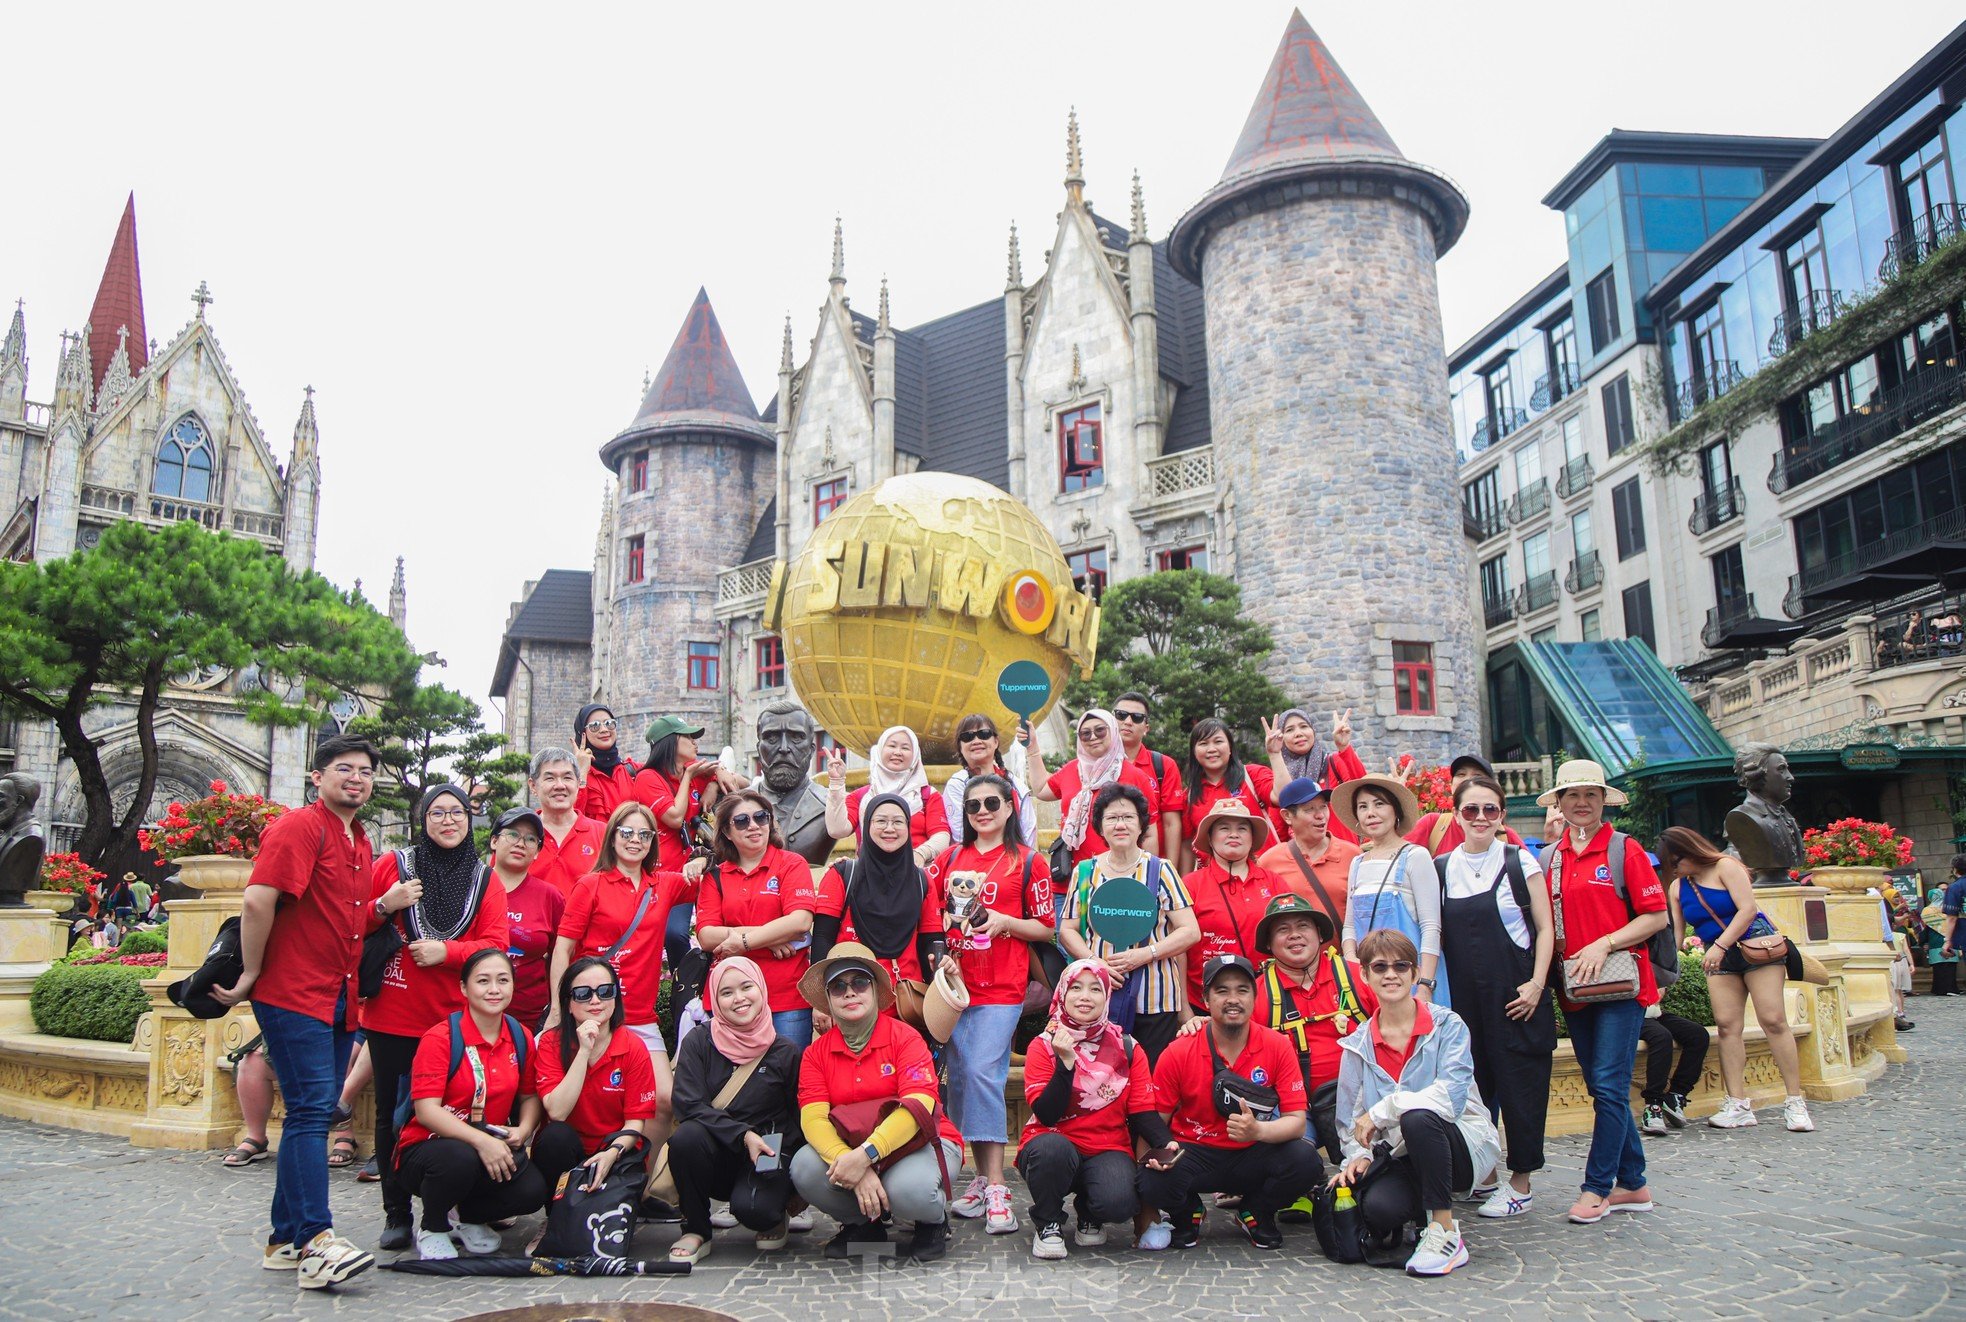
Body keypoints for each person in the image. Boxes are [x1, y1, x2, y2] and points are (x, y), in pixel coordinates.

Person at [215, 734, 380, 1288]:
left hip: (337, 993)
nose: (355, 778)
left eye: (364, 771)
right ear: (318, 777)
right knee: (312, 1112)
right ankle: (315, 1240)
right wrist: (252, 974)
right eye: (343, 769)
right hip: (293, 992)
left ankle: (284, 1240)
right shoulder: (300, 826)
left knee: (313, 1111)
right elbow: (258, 899)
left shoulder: (359, 837)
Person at [361, 784, 511, 1250]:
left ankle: (454, 1211)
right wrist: (389, 903)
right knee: (392, 1116)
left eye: (458, 813)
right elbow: (354, 920)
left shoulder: (484, 879)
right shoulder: (395, 865)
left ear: (470, 820)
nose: (449, 821)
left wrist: (447, 952)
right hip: (394, 1013)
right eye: (438, 813)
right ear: (423, 818)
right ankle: (396, 1213)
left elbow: (495, 944)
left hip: (452, 1021)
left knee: (459, 1112)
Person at [1537, 759, 1666, 1224]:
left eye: (1591, 794)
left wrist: (1605, 942)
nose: (1583, 803)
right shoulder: (1549, 857)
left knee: (1609, 1086)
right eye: (1573, 795)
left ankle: (1598, 1187)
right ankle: (1635, 1183)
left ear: (1602, 799)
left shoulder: (1623, 849)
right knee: (1601, 1086)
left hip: (1619, 986)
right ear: (1560, 804)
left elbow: (1656, 916)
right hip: (1575, 988)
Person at [1332, 930, 1502, 1278]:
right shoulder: (1356, 1045)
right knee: (1380, 1211)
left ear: (1413, 974)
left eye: (1400, 966)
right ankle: (1423, 1217)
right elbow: (1349, 1123)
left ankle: (1445, 1231)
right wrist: (1358, 1157)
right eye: (1379, 967)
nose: (1390, 974)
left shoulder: (1447, 1026)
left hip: (1463, 1148)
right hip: (1400, 1155)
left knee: (1418, 1117)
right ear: (1365, 975)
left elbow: (1452, 1099)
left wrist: (1384, 1109)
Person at [930, 772, 1053, 1233]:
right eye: (973, 806)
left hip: (1003, 985)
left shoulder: (1028, 860)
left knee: (982, 1070)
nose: (982, 812)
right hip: (956, 987)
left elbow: (1045, 927)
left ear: (1009, 808)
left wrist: (1004, 920)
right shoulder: (948, 859)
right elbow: (932, 919)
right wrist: (943, 947)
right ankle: (981, 1179)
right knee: (962, 1078)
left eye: (991, 804)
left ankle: (998, 1183)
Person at [790, 943, 963, 1264]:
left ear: (874, 990)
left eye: (859, 983)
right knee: (803, 1167)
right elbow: (813, 1119)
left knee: (909, 1191)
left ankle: (932, 1221)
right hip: (856, 1150)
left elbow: (918, 1105)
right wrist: (851, 1162)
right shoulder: (815, 1054)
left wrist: (867, 1155)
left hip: (921, 1143)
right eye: (838, 986)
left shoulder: (906, 1038)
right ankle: (864, 1226)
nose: (849, 992)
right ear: (828, 999)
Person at [1139, 954, 1322, 1251]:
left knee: (1305, 1162)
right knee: (1151, 1177)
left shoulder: (1278, 1045)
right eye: (1222, 991)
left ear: (1254, 996)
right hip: (1193, 1151)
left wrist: (1258, 1132)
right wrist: (1151, 1163)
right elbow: (1154, 1121)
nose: (1232, 999)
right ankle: (1188, 1213)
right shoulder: (1178, 1051)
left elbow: (1297, 1122)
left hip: (1252, 1151)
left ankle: (1256, 1211)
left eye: (1242, 990)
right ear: (1206, 998)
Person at [1433, 774, 1554, 1218]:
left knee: (1521, 1086)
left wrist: (1537, 984)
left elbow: (1545, 929)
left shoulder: (1522, 863)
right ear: (1457, 815)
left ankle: (1520, 1181)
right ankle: (1484, 1172)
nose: (1480, 817)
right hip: (1465, 1000)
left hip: (1516, 994)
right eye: (1471, 810)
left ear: (1501, 816)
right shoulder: (1442, 867)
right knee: (1473, 1086)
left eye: (1490, 810)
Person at [550, 799, 695, 1151]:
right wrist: (558, 1008)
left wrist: (702, 859)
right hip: (592, 1011)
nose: (635, 840)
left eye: (644, 834)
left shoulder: (665, 885)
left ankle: (640, 1187)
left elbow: (713, 881)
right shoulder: (590, 885)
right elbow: (562, 950)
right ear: (612, 836)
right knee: (585, 1104)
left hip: (639, 1017)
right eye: (627, 832)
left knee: (663, 1101)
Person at [392, 949, 546, 1260]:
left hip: (489, 1141)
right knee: (458, 1158)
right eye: (483, 981)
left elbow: (529, 1096)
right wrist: (480, 1141)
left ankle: (468, 1218)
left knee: (532, 1190)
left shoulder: (520, 1036)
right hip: (430, 1147)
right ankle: (432, 1226)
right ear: (464, 988)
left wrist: (524, 1129)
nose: (494, 989)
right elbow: (426, 1111)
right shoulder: (441, 1038)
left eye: (503, 980)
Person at [1658, 825, 1812, 1133]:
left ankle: (1795, 1101)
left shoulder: (1726, 866)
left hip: (1754, 948)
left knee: (1773, 1019)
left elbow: (1747, 910)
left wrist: (1719, 945)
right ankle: (1738, 1103)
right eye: (1671, 865)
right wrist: (1665, 973)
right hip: (1720, 958)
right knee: (1727, 1027)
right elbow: (1675, 935)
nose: (1676, 869)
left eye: (1678, 861)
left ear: (1691, 850)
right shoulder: (1678, 887)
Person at [1017, 959, 1172, 1259]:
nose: (1084, 996)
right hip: (1053, 1144)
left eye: (1095, 989)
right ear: (1062, 993)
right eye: (1075, 987)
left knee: (1120, 1201)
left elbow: (1142, 1111)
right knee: (1051, 1150)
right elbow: (1048, 1114)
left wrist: (1166, 1143)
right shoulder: (1043, 1045)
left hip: (1106, 1147)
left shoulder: (1127, 1047)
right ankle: (1048, 1221)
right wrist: (1065, 1064)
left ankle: (1090, 1212)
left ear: (1107, 996)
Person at [665, 956, 805, 1262]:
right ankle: (696, 1229)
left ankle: (774, 1212)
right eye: (726, 993)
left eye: (746, 987)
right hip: (714, 1151)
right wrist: (743, 1135)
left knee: (757, 1212)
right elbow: (688, 1103)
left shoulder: (785, 1052)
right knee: (686, 1138)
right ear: (714, 999)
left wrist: (796, 1188)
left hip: (765, 1154)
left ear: (761, 989)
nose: (739, 999)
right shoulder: (699, 1042)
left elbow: (799, 1117)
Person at [1058, 782, 1200, 1064]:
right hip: (1099, 997)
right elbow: (1067, 930)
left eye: (1128, 817)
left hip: (1156, 998)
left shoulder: (1160, 869)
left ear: (1141, 825)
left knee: (1149, 1078)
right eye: (1111, 818)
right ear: (1100, 827)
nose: (1120, 824)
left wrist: (1146, 954)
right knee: (1101, 1078)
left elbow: (1189, 930)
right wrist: (1094, 962)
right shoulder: (1085, 872)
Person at [1242, 893, 1374, 1171]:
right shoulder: (1257, 994)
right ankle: (1300, 1190)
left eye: (1303, 926)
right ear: (1268, 943)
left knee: (1378, 1191)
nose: (1295, 936)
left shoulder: (1359, 976)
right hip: (1296, 1111)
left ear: (1318, 934)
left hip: (1367, 1105)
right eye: (1283, 930)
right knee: (1290, 1162)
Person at [529, 956, 659, 1222]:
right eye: (583, 994)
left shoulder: (633, 1047)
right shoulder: (551, 1044)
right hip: (569, 1152)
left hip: (614, 1151)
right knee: (555, 1137)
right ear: (568, 1003)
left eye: (605, 991)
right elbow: (557, 1111)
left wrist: (611, 1153)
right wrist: (583, 1050)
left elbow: (635, 1122)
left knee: (604, 1229)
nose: (596, 1001)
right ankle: (555, 1221)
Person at [697, 790, 819, 1048]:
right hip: (732, 999)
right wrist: (768, 938)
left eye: (761, 817)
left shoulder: (791, 864)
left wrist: (744, 941)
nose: (753, 825)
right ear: (727, 832)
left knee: (787, 1079)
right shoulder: (715, 875)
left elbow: (799, 922)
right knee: (734, 1083)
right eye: (741, 821)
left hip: (785, 996)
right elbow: (707, 935)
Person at [811, 793, 945, 1020]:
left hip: (904, 1002)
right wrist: (820, 1002)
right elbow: (822, 937)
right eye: (881, 821)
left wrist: (938, 985)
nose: (889, 828)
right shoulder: (842, 875)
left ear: (908, 827)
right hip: (849, 999)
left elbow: (931, 940)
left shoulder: (921, 881)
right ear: (867, 826)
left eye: (898, 822)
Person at [1335, 774, 1448, 1009]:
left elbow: (1430, 926)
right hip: (1371, 981)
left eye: (1379, 804)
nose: (1371, 813)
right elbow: (1349, 926)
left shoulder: (1415, 856)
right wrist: (1352, 961)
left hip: (1411, 978)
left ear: (1395, 811)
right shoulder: (1357, 863)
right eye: (1363, 806)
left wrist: (1425, 984)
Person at [1179, 798, 1288, 1012]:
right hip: (1205, 1003)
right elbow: (1178, 953)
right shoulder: (1190, 884)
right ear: (1209, 838)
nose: (1234, 834)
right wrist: (1184, 1010)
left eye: (1242, 828)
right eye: (1224, 828)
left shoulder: (1273, 881)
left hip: (1268, 999)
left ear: (1252, 837)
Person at [1030, 708, 1156, 887]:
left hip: (1119, 880)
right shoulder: (1071, 770)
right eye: (1085, 733)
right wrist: (1032, 747)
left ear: (1112, 731)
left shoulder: (1135, 776)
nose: (1093, 737)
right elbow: (1041, 789)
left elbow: (1149, 834)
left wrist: (1149, 882)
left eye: (1100, 730)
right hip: (1071, 881)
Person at [826, 726, 951, 865]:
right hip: (870, 874)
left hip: (915, 873)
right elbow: (837, 830)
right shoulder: (861, 796)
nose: (897, 752)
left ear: (915, 754)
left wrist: (921, 854)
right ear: (879, 750)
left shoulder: (927, 795)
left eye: (905, 748)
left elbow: (942, 836)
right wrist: (836, 782)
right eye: (892, 746)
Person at [487, 808, 562, 1029]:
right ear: (494, 841)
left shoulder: (550, 896)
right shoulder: (472, 887)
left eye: (530, 839)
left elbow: (563, 954)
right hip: (471, 1012)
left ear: (537, 851)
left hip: (529, 1018)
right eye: (512, 834)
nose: (521, 843)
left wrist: (556, 1009)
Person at [1258, 778, 1357, 935]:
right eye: (1309, 809)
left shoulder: (1353, 855)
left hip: (1346, 958)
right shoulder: (1269, 861)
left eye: (1323, 807)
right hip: (1294, 958)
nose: (1320, 815)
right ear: (1287, 816)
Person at [1179, 719, 1275, 873]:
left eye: (1218, 741)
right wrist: (1184, 888)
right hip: (1216, 883)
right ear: (1194, 752)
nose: (1211, 749)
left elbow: (1284, 797)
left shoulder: (1252, 775)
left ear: (1230, 747)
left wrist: (1275, 754)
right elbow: (1187, 845)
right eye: (1203, 743)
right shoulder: (1189, 796)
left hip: (1264, 874)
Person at [1263, 708, 1367, 843]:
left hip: (1342, 853)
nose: (1298, 733)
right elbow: (1278, 830)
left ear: (1313, 731)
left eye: (1304, 726)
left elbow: (1363, 786)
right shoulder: (1280, 778)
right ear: (1281, 738)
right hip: (1304, 857)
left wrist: (1344, 747)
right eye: (1289, 730)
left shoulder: (1334, 763)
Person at [940, 713, 1038, 846]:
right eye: (967, 737)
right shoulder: (957, 785)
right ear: (960, 747)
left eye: (984, 734)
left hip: (1016, 859)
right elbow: (961, 835)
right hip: (972, 861)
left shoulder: (1016, 785)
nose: (976, 741)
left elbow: (1028, 832)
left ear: (996, 742)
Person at [525, 748, 607, 899]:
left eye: (567, 778)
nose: (560, 785)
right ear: (533, 786)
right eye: (550, 778)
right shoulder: (519, 835)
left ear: (578, 783)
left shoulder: (604, 834)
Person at [1111, 691, 1183, 862]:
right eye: (1121, 715)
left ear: (1146, 729)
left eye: (1136, 717)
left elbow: (1171, 824)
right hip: (1105, 864)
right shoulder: (1095, 765)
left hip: (1149, 862)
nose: (1127, 722)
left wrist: (1169, 870)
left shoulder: (1164, 766)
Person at [1406, 755, 1526, 856]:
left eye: (1477, 776)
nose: (1468, 780)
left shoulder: (1506, 837)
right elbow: (1396, 861)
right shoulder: (1432, 825)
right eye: (1461, 774)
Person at [1636, 1002, 1708, 1136]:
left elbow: (1664, 981)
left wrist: (1662, 986)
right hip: (1629, 1014)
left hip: (1653, 1012)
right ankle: (1653, 1105)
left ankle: (1676, 1095)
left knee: (1698, 1035)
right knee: (1661, 1037)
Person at [572, 704, 639, 822]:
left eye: (609, 723)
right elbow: (570, 818)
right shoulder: (571, 776)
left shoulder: (632, 770)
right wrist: (581, 771)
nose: (604, 730)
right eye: (594, 726)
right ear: (582, 732)